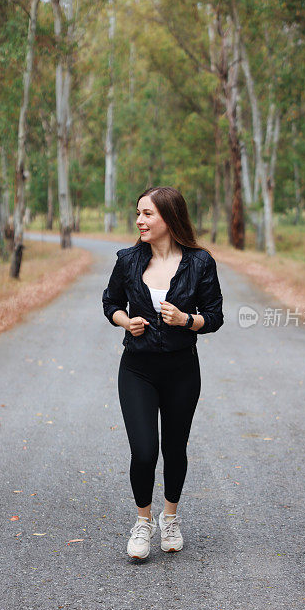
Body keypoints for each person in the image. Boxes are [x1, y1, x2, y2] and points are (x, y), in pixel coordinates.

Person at [102, 186, 224, 560]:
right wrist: (126, 322)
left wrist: (187, 320)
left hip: (182, 370)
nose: (140, 220)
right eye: (138, 213)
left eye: (148, 214)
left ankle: (169, 518)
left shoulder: (200, 262)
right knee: (144, 451)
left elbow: (215, 316)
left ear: (169, 218)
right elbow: (110, 303)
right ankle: (143, 522)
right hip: (137, 368)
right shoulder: (127, 260)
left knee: (174, 449)